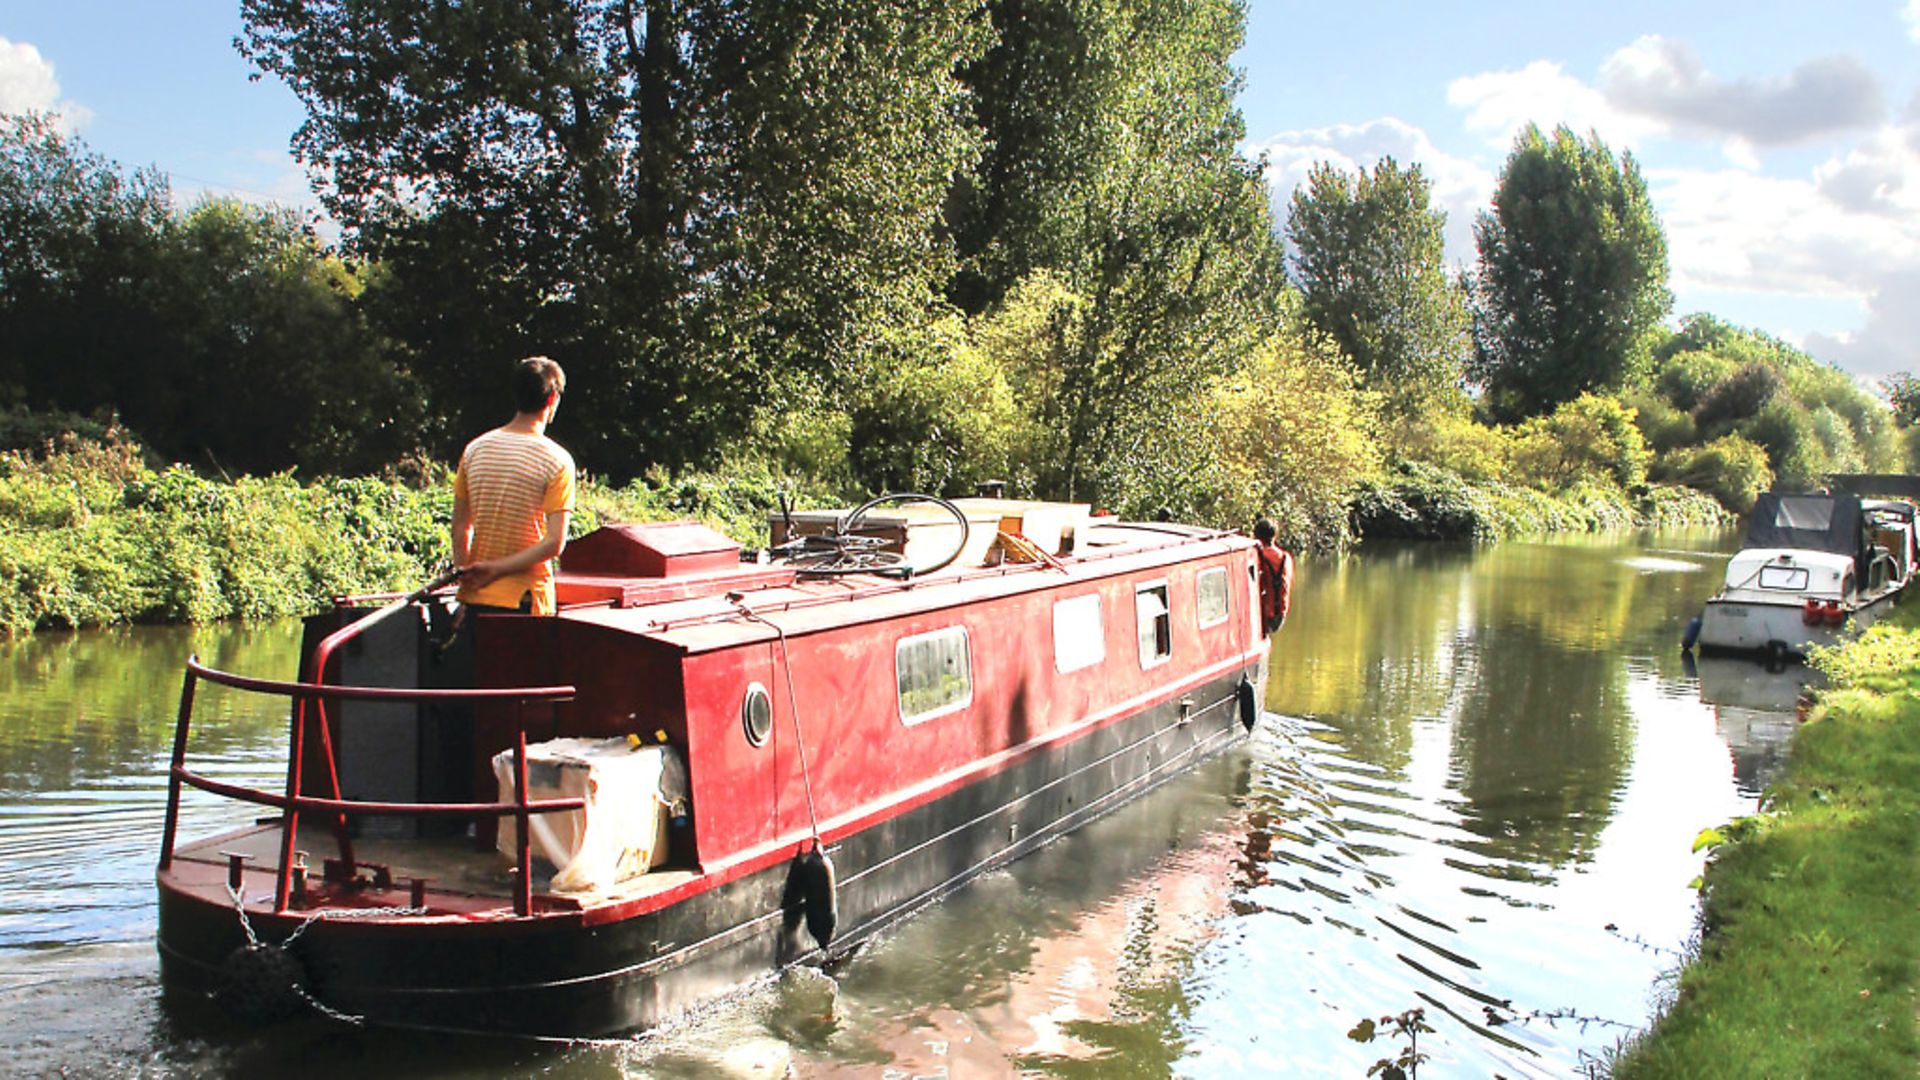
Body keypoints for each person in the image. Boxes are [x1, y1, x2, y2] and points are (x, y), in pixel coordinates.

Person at [451, 356, 577, 616]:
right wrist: (497, 569)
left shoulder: (475, 449)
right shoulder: (557, 460)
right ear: (552, 398)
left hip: (477, 596)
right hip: (525, 599)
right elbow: (554, 543)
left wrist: (467, 576)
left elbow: (461, 527)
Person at [1252, 518, 1293, 634]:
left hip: (1265, 614)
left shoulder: (1258, 556)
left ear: (1256, 536)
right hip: (1280, 614)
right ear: (1275, 536)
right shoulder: (1286, 558)